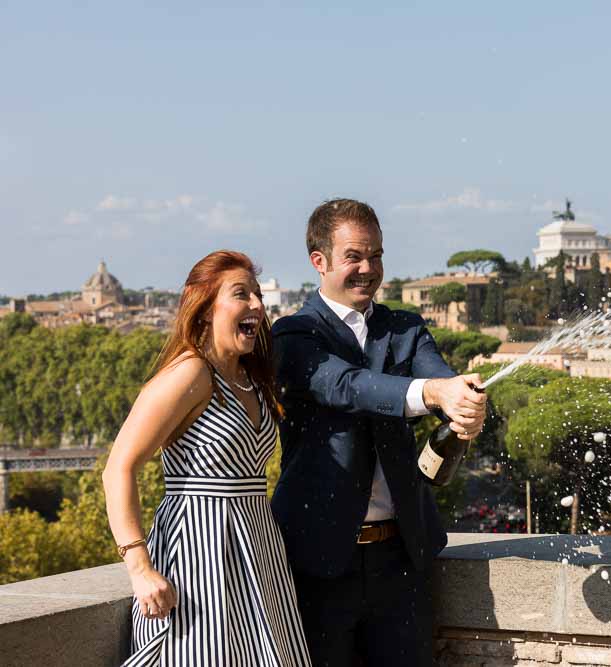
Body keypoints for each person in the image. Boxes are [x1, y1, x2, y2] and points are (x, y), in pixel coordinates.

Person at [271, 198, 487, 666]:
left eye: (377, 255)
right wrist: (434, 392)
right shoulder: (294, 335)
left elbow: (442, 382)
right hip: (318, 560)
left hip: (401, 559)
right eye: (354, 256)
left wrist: (464, 404)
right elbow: (347, 386)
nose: (368, 268)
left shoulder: (405, 328)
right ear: (319, 261)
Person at [104, 250, 311, 666]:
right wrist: (140, 569)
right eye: (241, 294)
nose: (257, 304)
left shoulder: (251, 377)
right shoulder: (190, 373)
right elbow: (118, 468)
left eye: (257, 294)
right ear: (204, 309)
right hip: (199, 557)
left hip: (257, 554)